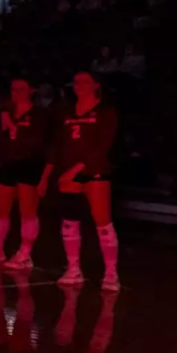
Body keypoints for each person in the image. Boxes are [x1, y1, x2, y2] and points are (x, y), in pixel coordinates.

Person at [41, 71, 119, 289]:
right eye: (76, 82)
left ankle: (111, 273)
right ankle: (73, 268)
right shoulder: (66, 111)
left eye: (85, 82)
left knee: (103, 223)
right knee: (70, 221)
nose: (79, 85)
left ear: (95, 85)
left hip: (94, 171)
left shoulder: (106, 111)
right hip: (68, 174)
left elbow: (103, 145)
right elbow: (56, 146)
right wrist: (46, 177)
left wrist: (77, 169)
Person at [0, 78, 49, 268]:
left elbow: (37, 141)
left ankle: (25, 253)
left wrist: (15, 129)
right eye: (14, 89)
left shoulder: (39, 114)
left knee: (27, 211)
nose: (17, 92)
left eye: (21, 88)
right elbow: (0, 139)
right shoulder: (6, 113)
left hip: (29, 163)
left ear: (31, 90)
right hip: (7, 162)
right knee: (0, 210)